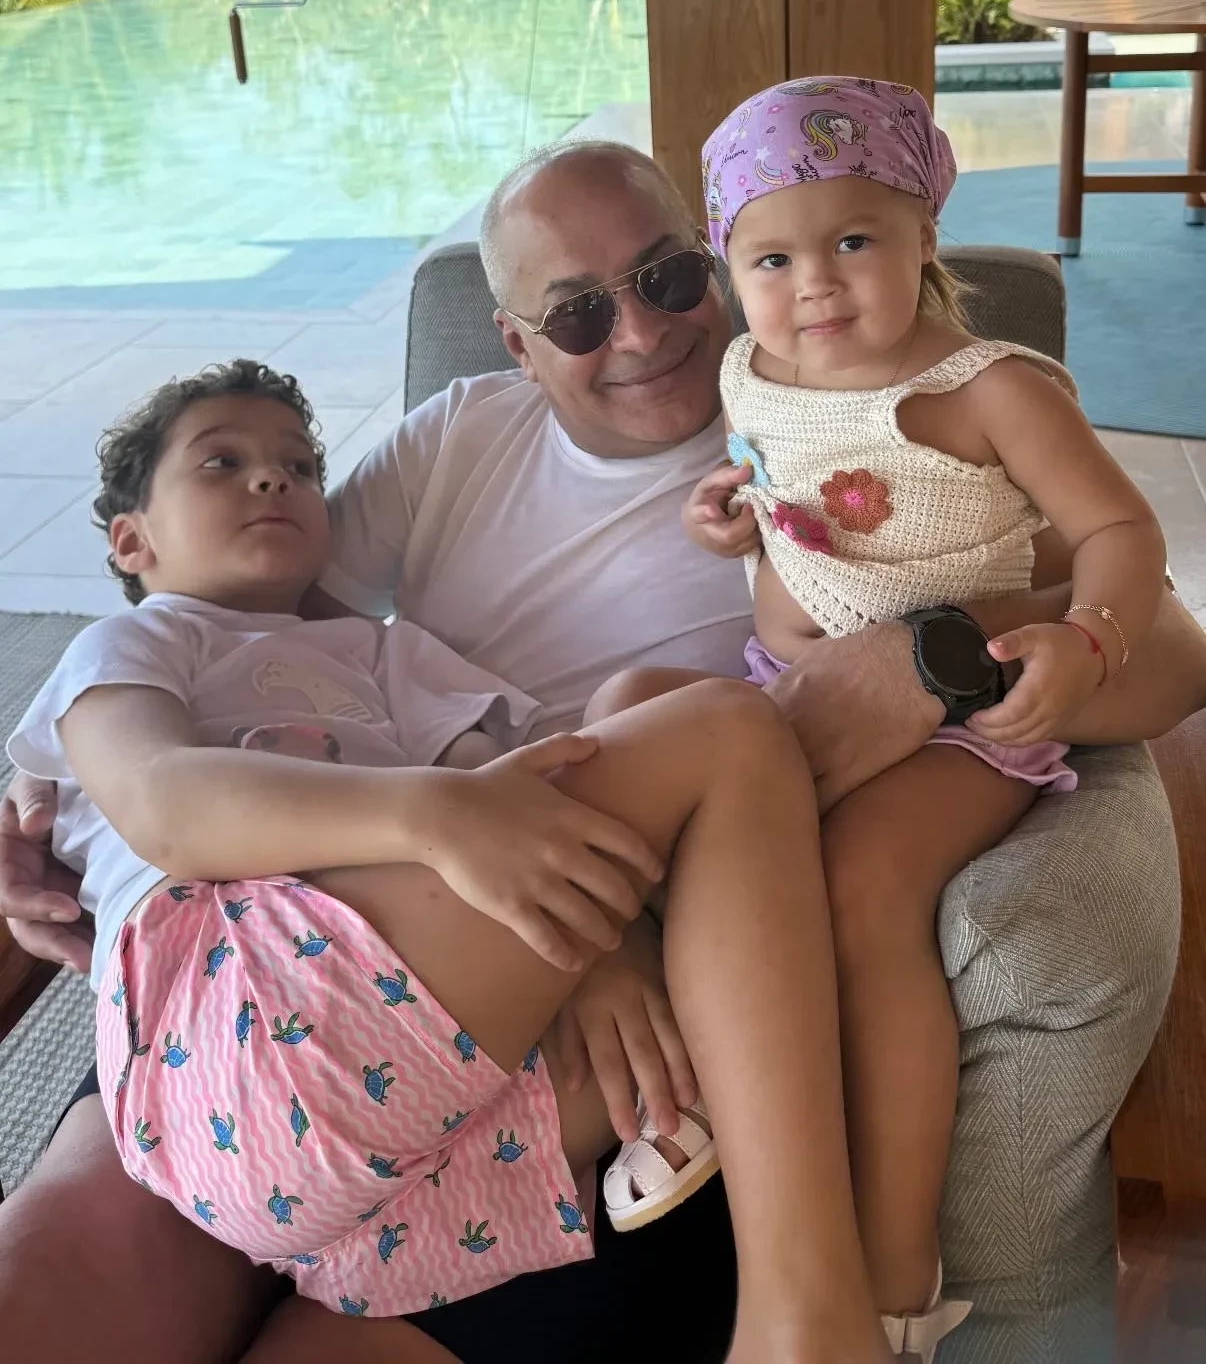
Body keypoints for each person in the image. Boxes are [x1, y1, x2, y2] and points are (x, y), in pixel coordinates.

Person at [2, 139, 1205, 1364]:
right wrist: (45, 806)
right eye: (577, 313)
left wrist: (932, 649)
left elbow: (1170, 649)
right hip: (338, 958)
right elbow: (236, 637)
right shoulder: (454, 433)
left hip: (631, 1043)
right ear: (517, 343)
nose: (639, 331)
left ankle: (807, 1313)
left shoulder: (871, 410)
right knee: (45, 1293)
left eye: (668, 277)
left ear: (718, 261)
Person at [6, 355, 892, 1359]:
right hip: (234, 1016)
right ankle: (807, 1320)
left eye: (300, 465)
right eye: (222, 462)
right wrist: (428, 810)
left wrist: (593, 945)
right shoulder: (140, 643)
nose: (273, 477)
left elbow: (512, 796)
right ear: (133, 540)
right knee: (726, 732)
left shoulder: (390, 656)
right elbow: (164, 804)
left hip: (405, 1166)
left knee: (673, 815)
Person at [585, 82, 1167, 1362]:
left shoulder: (986, 388)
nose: (815, 284)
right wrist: (729, 520)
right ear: (730, 270)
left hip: (965, 716)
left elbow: (1124, 530)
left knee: (858, 882)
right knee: (622, 713)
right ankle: (709, 1085)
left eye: (854, 240)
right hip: (783, 690)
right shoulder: (749, 369)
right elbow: (783, 488)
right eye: (771, 258)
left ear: (923, 235)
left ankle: (899, 1281)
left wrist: (1089, 638)